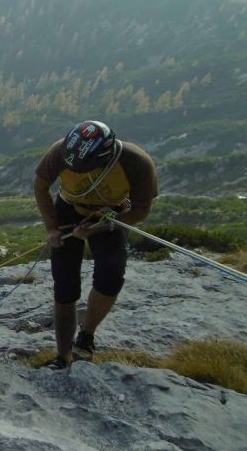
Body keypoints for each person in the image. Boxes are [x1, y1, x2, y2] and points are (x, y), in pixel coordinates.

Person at [33, 120, 157, 370]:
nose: (77, 172)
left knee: (111, 275)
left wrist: (101, 226)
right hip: (68, 209)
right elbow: (41, 184)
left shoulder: (136, 162)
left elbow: (141, 209)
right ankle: (63, 356)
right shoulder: (61, 151)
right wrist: (51, 227)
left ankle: (86, 337)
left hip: (111, 214)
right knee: (65, 284)